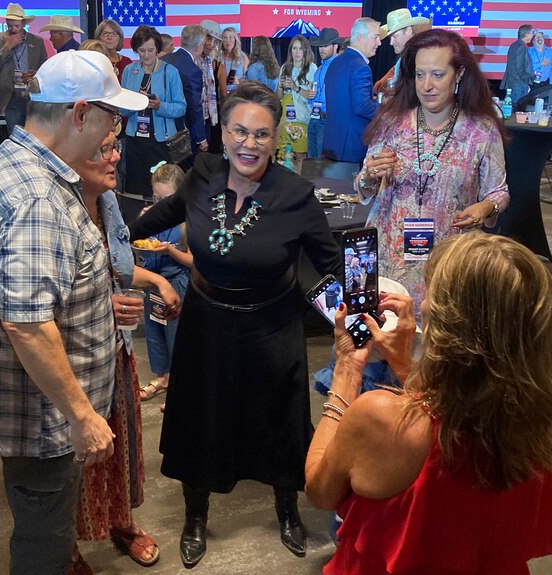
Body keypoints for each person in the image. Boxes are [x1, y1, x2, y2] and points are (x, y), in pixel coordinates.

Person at [0, 50, 150, 575]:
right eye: (111, 117)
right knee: (44, 545)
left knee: (39, 526)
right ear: (80, 113)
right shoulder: (39, 198)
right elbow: (27, 323)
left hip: (21, 410)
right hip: (44, 423)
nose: (114, 132)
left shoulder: (1, 161)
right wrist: (83, 416)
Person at [128, 81, 341, 568]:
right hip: (207, 324)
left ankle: (288, 510)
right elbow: (165, 212)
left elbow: (330, 264)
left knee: (281, 423)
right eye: (240, 131)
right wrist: (111, 233)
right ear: (223, 132)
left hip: (274, 326)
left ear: (276, 137)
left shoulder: (295, 194)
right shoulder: (202, 173)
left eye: (262, 134)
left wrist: (358, 321)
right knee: (201, 420)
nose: (250, 143)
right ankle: (196, 516)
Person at [305, 233, 552, 574]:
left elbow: (320, 492)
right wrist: (402, 365)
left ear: (448, 325)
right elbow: (460, 403)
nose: (423, 303)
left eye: (431, 293)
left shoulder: (381, 416)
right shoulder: (534, 420)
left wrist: (347, 370)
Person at [68, 129, 182, 574]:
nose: (115, 157)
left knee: (121, 438)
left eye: (117, 146)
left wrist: (156, 280)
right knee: (75, 452)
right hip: (71, 355)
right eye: (104, 149)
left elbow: (117, 265)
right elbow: (32, 304)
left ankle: (121, 520)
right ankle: (66, 548)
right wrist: (101, 303)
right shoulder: (55, 204)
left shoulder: (109, 200)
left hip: (115, 346)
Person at [356, 29, 510, 317]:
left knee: (437, 349)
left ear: (459, 74)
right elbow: (363, 187)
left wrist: (486, 206)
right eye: (419, 75)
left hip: (447, 261)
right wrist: (369, 175)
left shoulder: (481, 131)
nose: (427, 85)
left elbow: (498, 191)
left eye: (438, 75)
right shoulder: (391, 123)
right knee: (380, 347)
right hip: (390, 260)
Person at [138, 161, 192, 409]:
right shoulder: (150, 217)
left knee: (177, 337)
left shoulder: (186, 222)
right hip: (152, 284)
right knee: (154, 332)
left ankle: (180, 386)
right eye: (156, 198)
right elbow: (139, 251)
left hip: (176, 284)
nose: (160, 205)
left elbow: (193, 261)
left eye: (167, 199)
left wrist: (171, 250)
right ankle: (162, 376)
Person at [120, 25, 187, 199]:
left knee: (162, 190)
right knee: (135, 190)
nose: (146, 55)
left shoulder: (170, 72)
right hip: (135, 140)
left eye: (151, 50)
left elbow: (181, 107)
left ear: (158, 48)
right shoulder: (129, 71)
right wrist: (134, 102)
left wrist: (159, 106)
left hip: (161, 141)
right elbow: (122, 110)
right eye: (141, 51)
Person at [323, 17, 381, 165]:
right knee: (349, 188)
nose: (379, 43)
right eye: (376, 37)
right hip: (351, 147)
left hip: (333, 142)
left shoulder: (336, 62)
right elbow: (361, 106)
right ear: (360, 38)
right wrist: (385, 109)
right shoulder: (361, 67)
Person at [0, 3, 48, 132]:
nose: (13, 29)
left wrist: (36, 74)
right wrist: (7, 47)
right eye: (9, 25)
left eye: (16, 26)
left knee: (36, 135)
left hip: (34, 97)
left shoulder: (37, 41)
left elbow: (46, 68)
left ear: (24, 24)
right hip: (10, 98)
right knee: (15, 137)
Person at [163, 25, 208, 155]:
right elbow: (194, 107)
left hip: (160, 129)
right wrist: (201, 138)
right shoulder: (193, 71)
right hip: (180, 134)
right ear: (199, 47)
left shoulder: (163, 60)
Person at [277, 35, 317, 173]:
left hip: (302, 117)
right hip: (285, 117)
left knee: (300, 155)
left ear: (306, 51)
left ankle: (300, 184)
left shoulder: (311, 68)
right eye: (294, 48)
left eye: (300, 49)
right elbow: (278, 96)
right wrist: (280, 87)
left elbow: (312, 95)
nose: (297, 52)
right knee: (284, 154)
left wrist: (296, 88)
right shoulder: (284, 67)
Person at [373, 8, 428, 94]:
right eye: (390, 38)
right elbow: (377, 87)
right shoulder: (406, 58)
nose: (391, 43)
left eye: (395, 36)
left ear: (409, 31)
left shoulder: (417, 57)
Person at [307, 28, 341, 160]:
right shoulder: (319, 69)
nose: (322, 49)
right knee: (311, 160)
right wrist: (311, 97)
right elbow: (314, 94)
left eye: (326, 46)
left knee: (323, 162)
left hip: (328, 119)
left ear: (335, 46)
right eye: (320, 46)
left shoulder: (338, 66)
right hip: (315, 117)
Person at [199, 20, 223, 153]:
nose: (211, 45)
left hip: (208, 118)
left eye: (215, 41)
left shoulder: (209, 61)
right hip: (195, 120)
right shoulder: (192, 60)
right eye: (209, 38)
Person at [501, 24, 533, 104]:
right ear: (526, 34)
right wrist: (527, 81)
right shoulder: (522, 47)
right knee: (517, 109)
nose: (533, 36)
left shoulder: (514, 45)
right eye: (532, 33)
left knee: (511, 108)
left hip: (512, 83)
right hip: (519, 85)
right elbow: (520, 68)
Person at [217, 27, 249, 100]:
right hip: (221, 96)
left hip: (237, 96)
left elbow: (247, 78)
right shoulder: (217, 57)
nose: (228, 41)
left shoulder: (243, 57)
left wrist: (238, 81)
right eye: (225, 38)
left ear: (235, 40)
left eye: (230, 37)